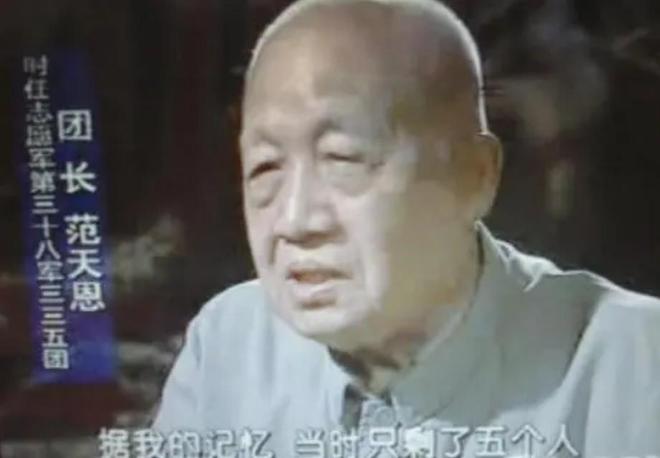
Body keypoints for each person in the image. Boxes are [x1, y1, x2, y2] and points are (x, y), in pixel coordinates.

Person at [154, 0, 660, 456]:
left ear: (474, 176)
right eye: (265, 168)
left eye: (342, 159)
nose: (294, 221)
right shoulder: (227, 344)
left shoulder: (630, 365)